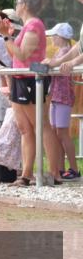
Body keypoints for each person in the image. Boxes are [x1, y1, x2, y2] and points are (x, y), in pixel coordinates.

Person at [0, 0, 62, 186]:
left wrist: (5, 36)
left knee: (41, 125)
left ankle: (54, 173)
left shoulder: (34, 25)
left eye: (17, 2)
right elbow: (15, 54)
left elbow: (23, 54)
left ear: (24, 5)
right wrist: (7, 36)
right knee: (25, 129)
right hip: (20, 79)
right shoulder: (27, 26)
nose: (16, 5)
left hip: (31, 80)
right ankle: (26, 174)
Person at [46, 22, 79, 180]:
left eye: (54, 35)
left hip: (63, 96)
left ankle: (73, 168)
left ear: (61, 37)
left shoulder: (66, 52)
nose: (52, 38)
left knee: (62, 132)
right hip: (56, 96)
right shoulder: (60, 52)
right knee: (56, 132)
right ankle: (60, 168)